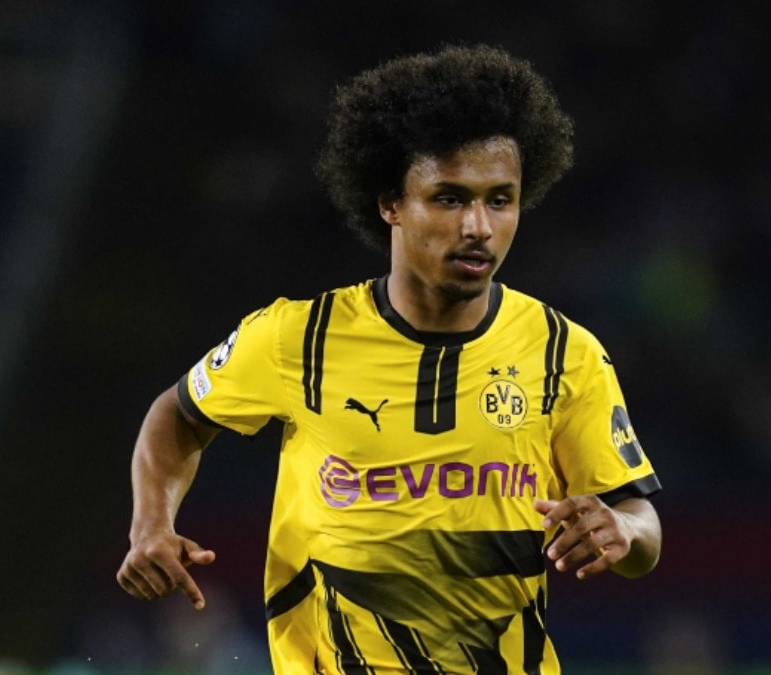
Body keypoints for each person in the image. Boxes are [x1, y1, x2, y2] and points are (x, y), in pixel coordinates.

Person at [116, 44, 663, 673]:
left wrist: (623, 531)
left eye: (500, 199)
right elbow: (178, 415)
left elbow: (640, 524)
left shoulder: (566, 352)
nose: (478, 227)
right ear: (390, 203)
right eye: (449, 198)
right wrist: (150, 524)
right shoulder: (298, 338)